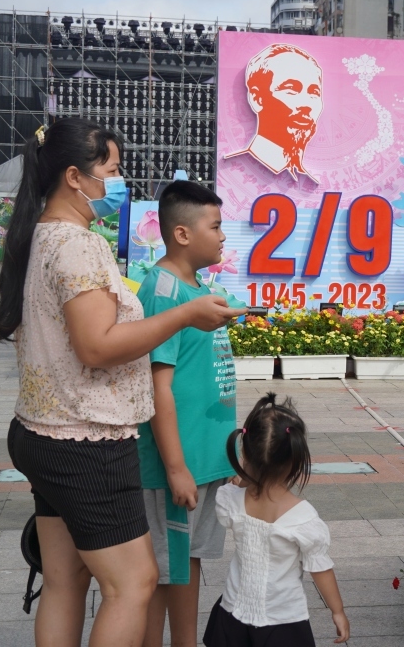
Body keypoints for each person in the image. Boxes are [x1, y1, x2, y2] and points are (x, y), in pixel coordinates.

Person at [0, 117, 245, 647]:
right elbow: (97, 347)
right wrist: (184, 315)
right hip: (86, 440)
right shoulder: (79, 246)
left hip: (43, 432)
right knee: (134, 583)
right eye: (114, 170)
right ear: (75, 177)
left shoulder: (45, 235)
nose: (120, 183)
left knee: (65, 580)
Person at [138, 181, 242, 647]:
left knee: (183, 563)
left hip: (202, 460)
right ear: (182, 234)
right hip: (175, 466)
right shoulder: (163, 291)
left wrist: (231, 454)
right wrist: (177, 467)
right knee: (168, 571)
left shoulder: (199, 289)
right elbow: (158, 386)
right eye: (215, 226)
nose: (223, 235)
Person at [205, 395, 350, 646]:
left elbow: (236, 486)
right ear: (295, 459)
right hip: (282, 619)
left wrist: (243, 479)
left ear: (246, 454)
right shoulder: (303, 519)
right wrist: (337, 611)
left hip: (232, 611)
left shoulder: (230, 500)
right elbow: (320, 569)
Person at [225, 43, 324, 182]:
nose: (306, 104)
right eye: (291, 89)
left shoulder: (310, 185)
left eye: (314, 92)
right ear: (257, 98)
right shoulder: (231, 171)